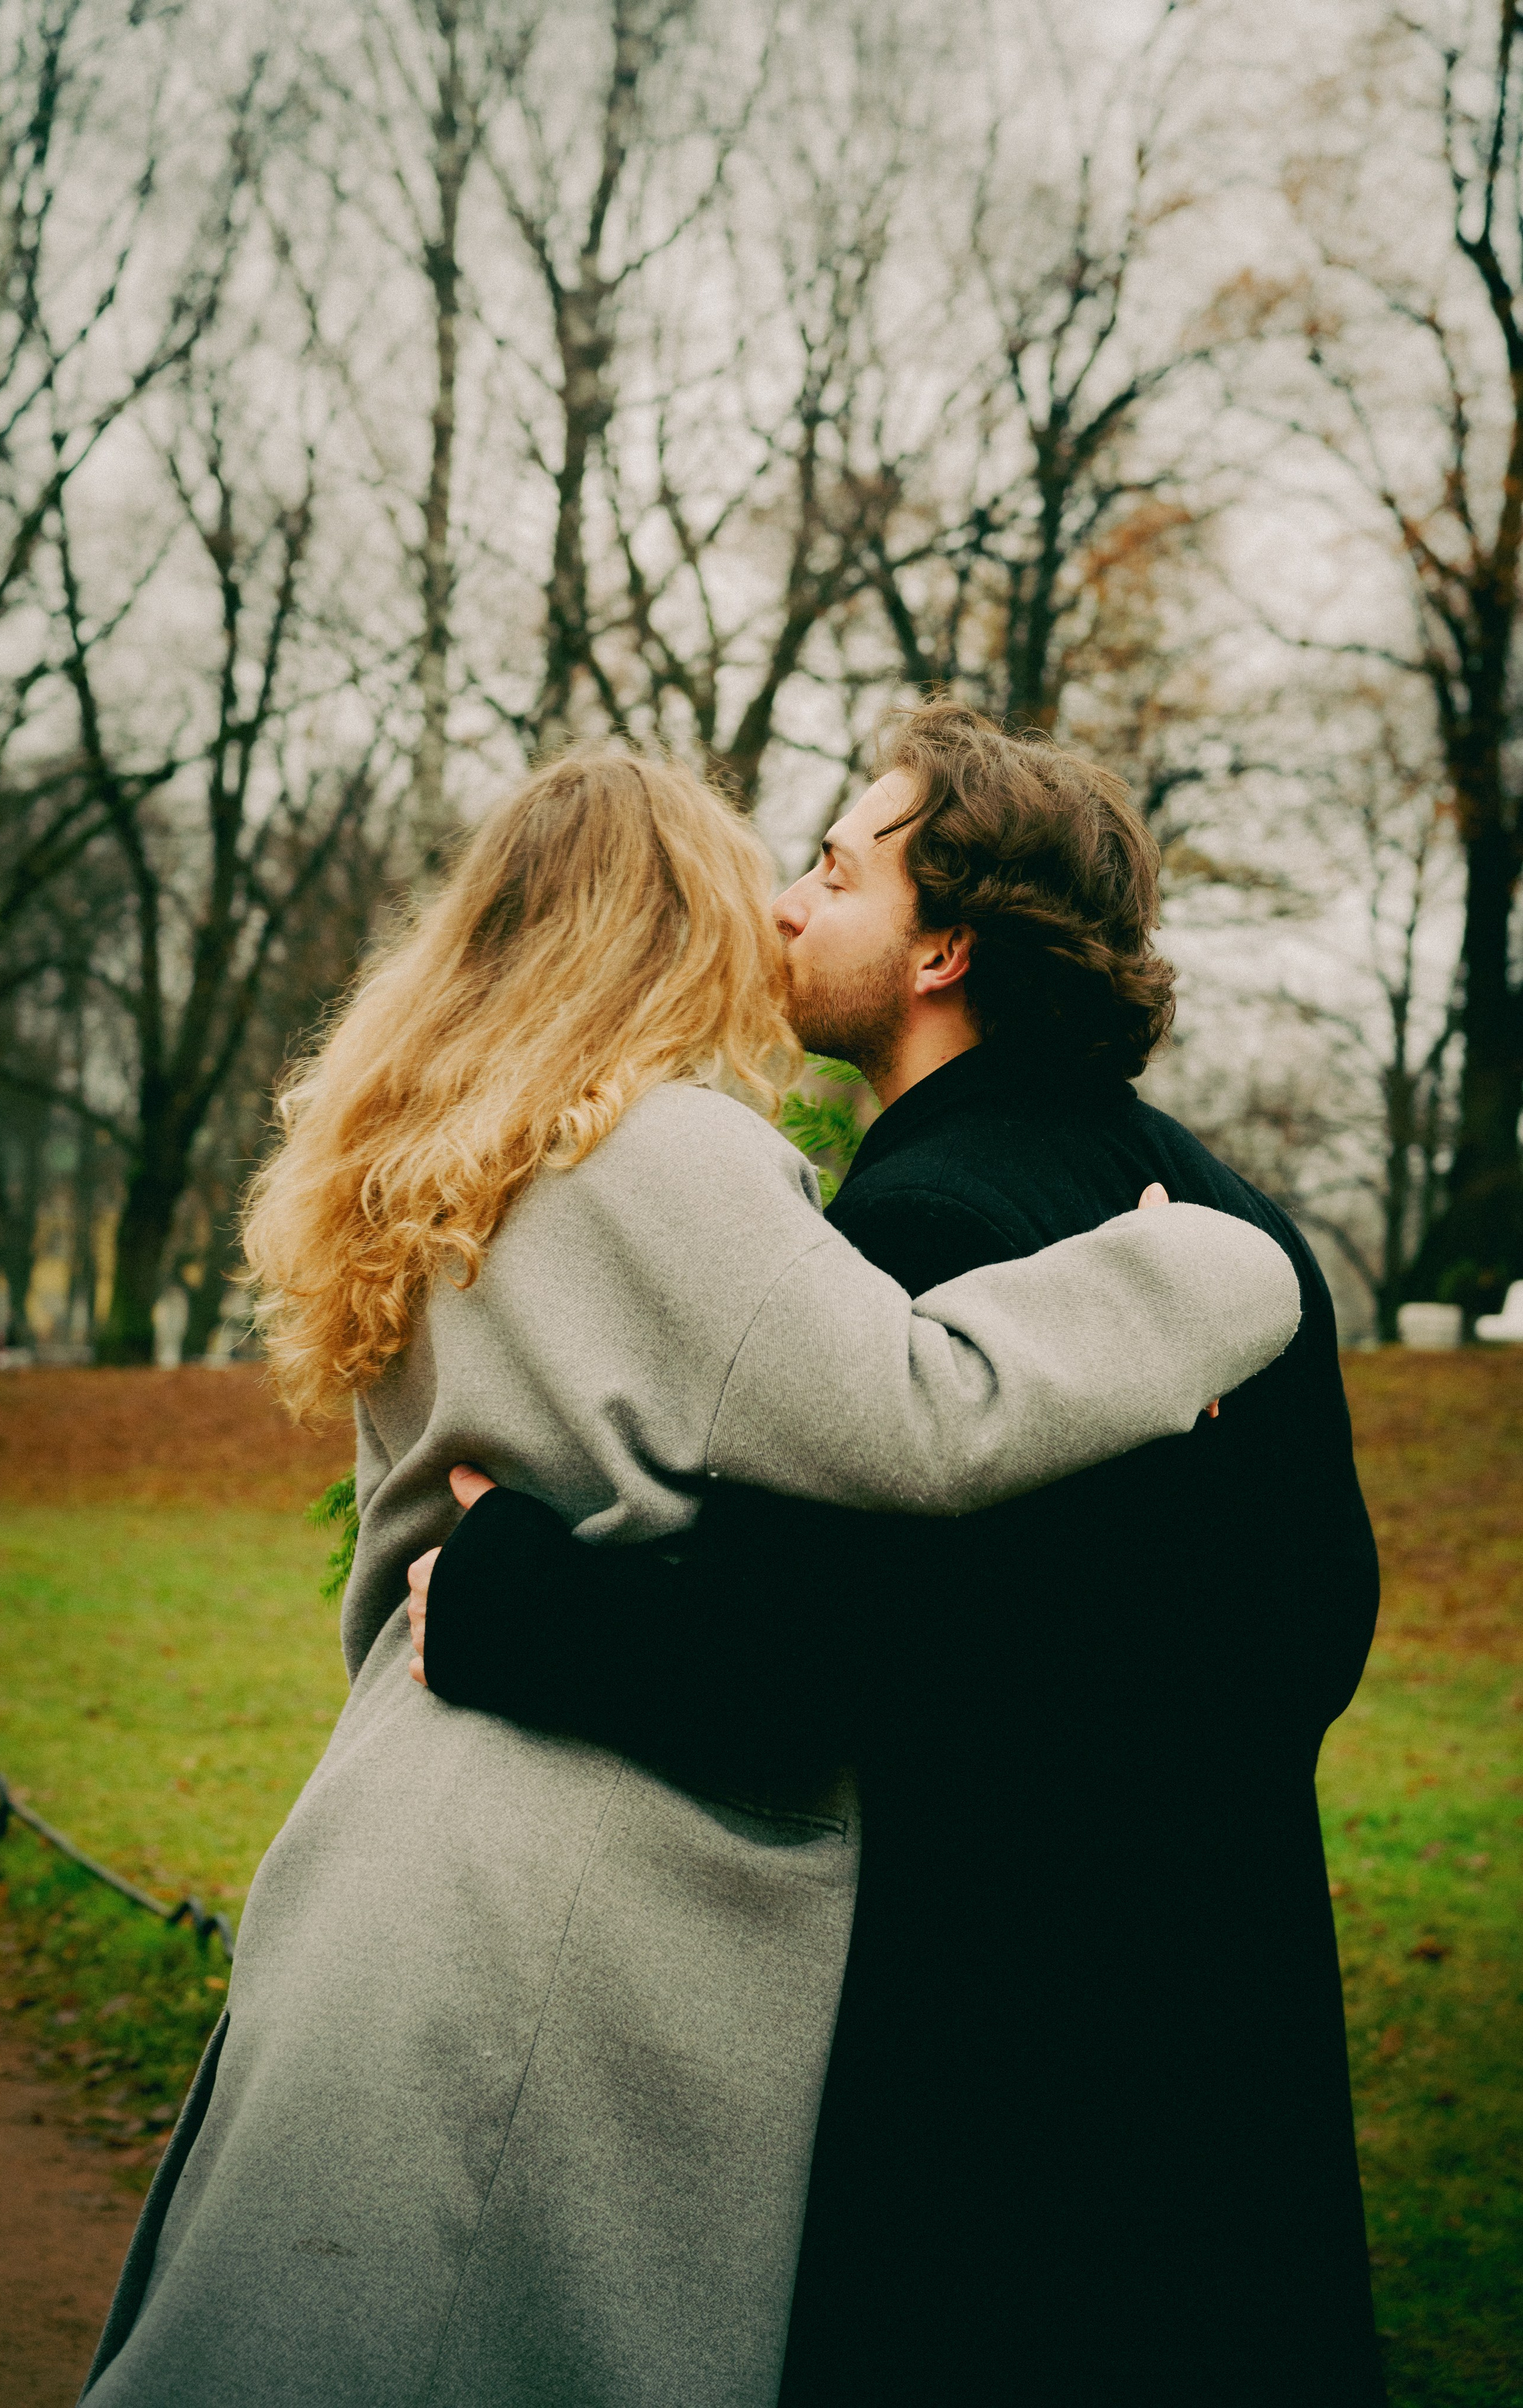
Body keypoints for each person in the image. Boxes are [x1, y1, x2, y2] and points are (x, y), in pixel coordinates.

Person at [79, 744, 1296, 2408]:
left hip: (396, 1817)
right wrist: (1201, 1266)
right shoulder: (660, 1160)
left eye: (826, 874)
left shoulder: (447, 1156)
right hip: (575, 1878)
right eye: (757, 884)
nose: (782, 914)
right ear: (670, 927)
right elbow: (924, 1408)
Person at [410, 706, 1386, 2407]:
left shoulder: (916, 1231)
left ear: (944, 944)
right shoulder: (1224, 1216)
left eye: (835, 870)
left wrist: (492, 1590)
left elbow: (792, 1672)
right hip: (1230, 2049)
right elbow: (1322, 1629)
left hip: (994, 2090)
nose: (784, 905)